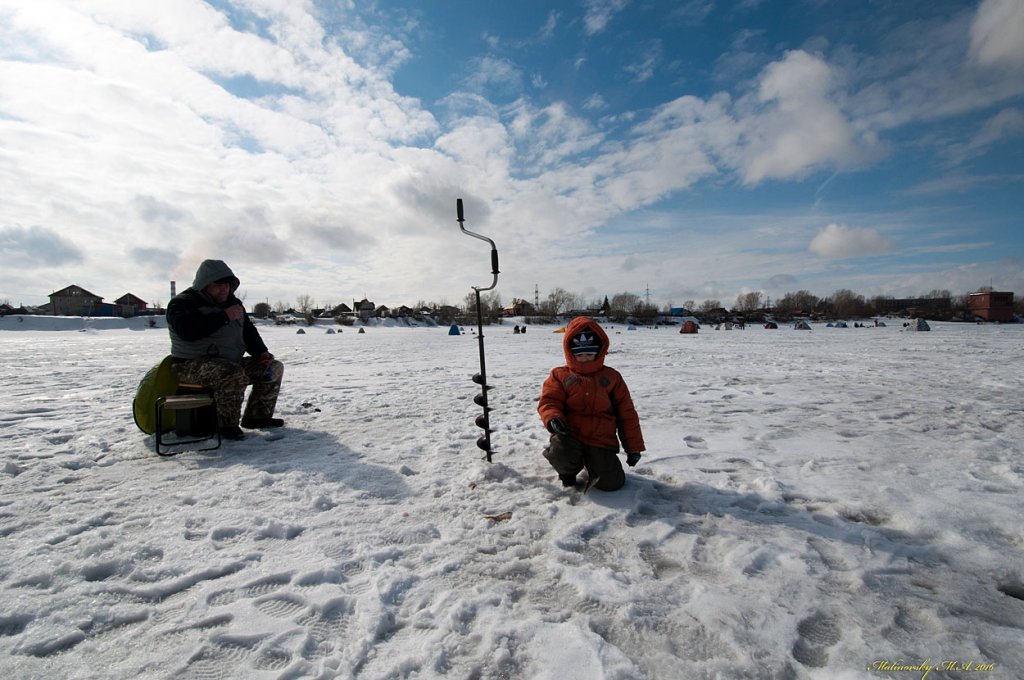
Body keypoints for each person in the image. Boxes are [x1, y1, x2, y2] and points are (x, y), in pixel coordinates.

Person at [166, 259, 284, 440]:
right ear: (205, 285)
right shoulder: (182, 303)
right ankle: (226, 425)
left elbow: (247, 331)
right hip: (190, 366)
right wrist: (223, 316)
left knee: (272, 368)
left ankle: (257, 417)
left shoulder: (233, 303)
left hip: (229, 362)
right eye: (218, 285)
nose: (224, 289)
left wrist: (261, 353)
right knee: (231, 373)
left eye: (227, 285)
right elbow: (187, 332)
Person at [537, 316, 645, 491]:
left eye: (589, 354)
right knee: (562, 453)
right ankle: (567, 472)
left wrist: (633, 447)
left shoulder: (612, 377)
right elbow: (550, 401)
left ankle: (594, 464)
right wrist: (552, 418)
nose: (585, 359)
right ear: (570, 353)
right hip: (570, 434)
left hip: (601, 438)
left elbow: (627, 414)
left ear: (599, 351)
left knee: (612, 484)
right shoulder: (559, 375)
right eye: (579, 355)